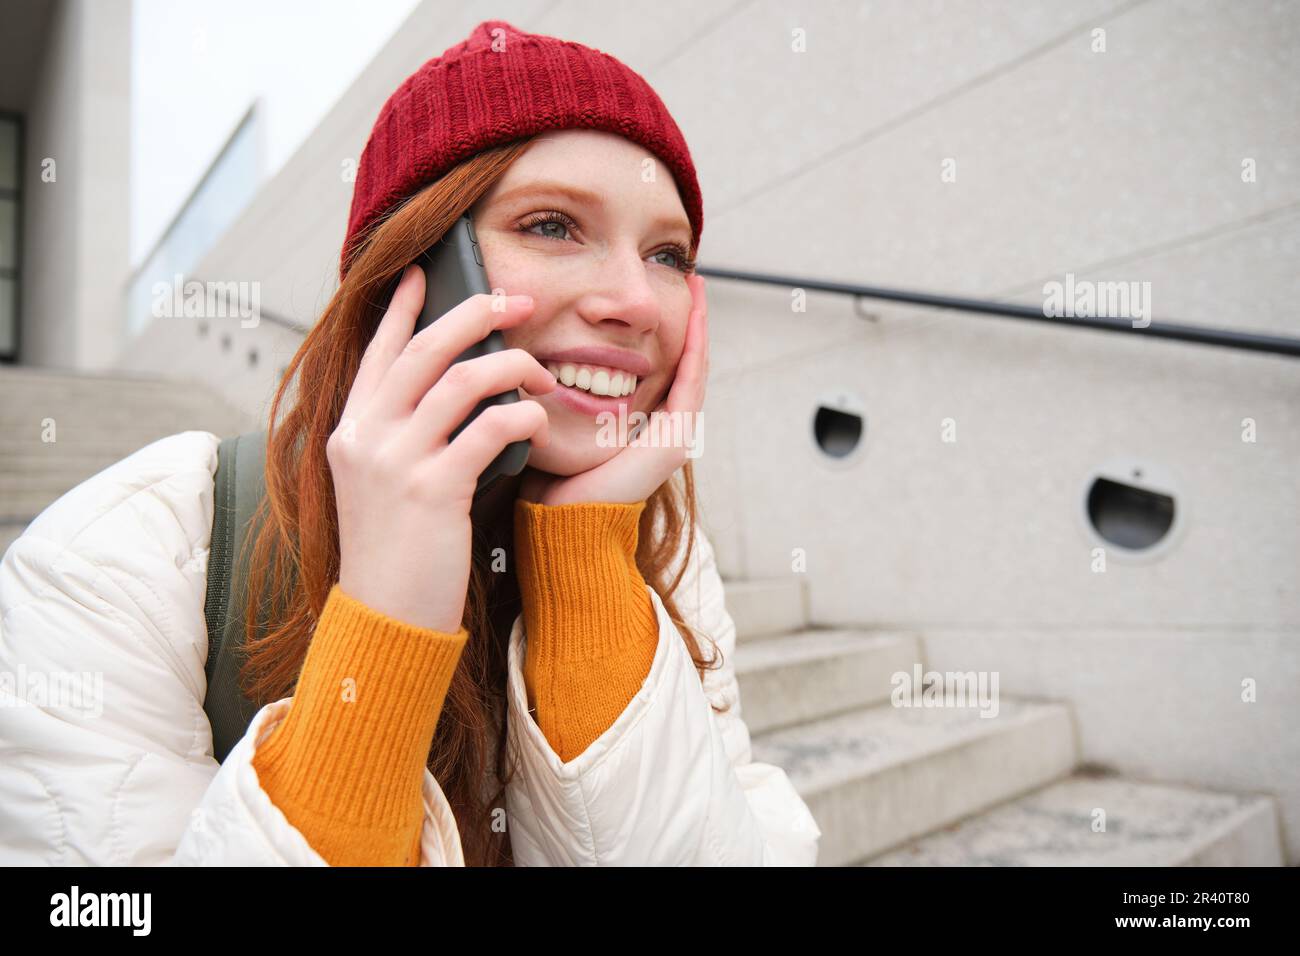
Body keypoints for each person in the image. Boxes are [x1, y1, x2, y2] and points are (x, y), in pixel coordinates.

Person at [0, 19, 821, 867]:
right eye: (552, 226)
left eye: (667, 254)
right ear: (413, 270)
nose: (637, 302)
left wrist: (584, 563)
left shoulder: (667, 561)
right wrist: (386, 618)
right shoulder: (121, 554)